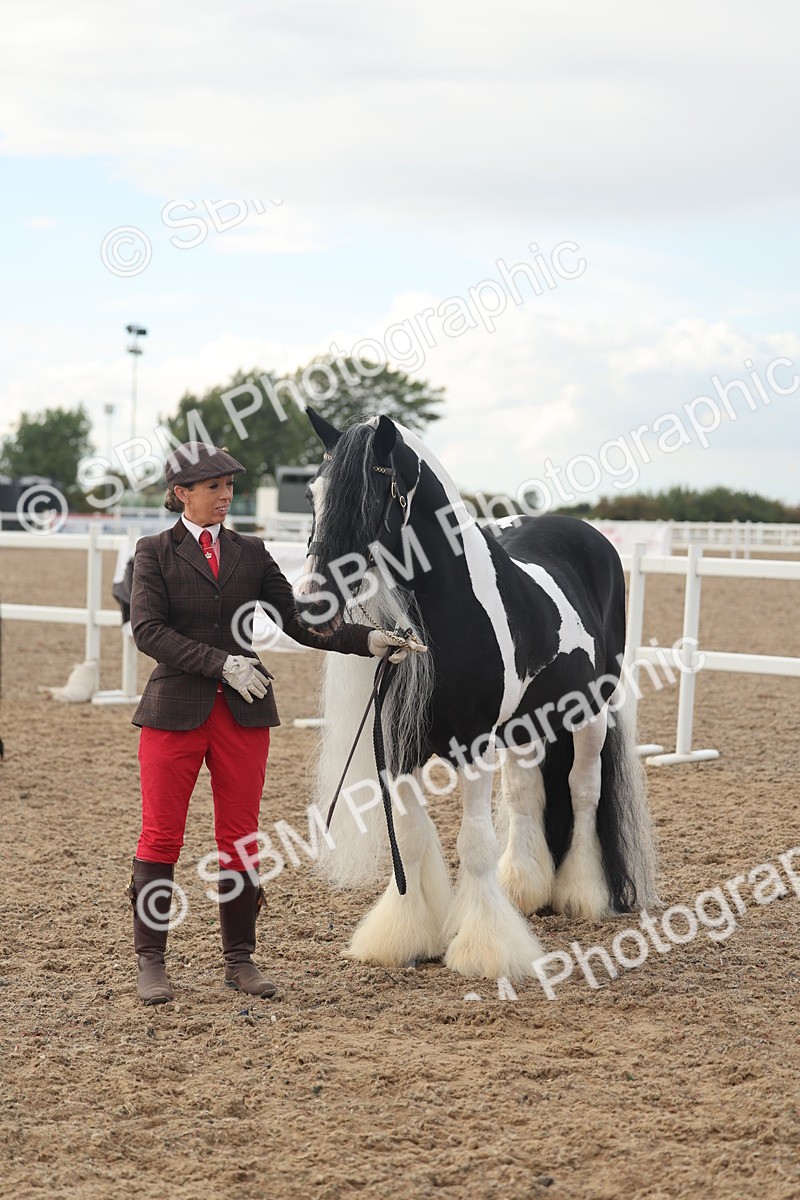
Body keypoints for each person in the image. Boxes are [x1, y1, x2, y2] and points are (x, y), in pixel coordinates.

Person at [127, 441, 424, 1006]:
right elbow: (149, 631)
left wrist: (366, 640)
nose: (225, 496)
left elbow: (299, 622)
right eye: (213, 487)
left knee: (239, 839)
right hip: (175, 712)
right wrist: (222, 662)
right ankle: (152, 961)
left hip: (243, 715)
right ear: (181, 494)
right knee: (161, 837)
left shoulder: (252, 552)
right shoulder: (154, 552)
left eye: (230, 486)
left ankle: (239, 959)